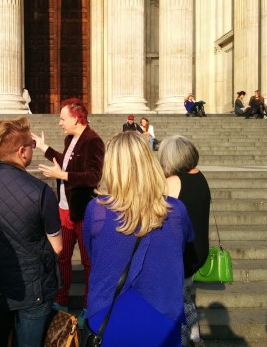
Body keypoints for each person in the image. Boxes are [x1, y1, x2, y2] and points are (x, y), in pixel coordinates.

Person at [83, 131, 194, 346]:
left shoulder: (96, 210)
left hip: (108, 313)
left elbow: (92, 253)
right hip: (161, 314)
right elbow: (183, 248)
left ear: (111, 167)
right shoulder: (176, 210)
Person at [0, 116, 62, 347]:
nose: (32, 151)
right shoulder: (41, 192)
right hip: (32, 288)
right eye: (32, 146)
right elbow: (57, 246)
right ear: (21, 151)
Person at [32, 97, 105, 327]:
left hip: (83, 211)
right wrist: (45, 149)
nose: (60, 123)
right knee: (62, 257)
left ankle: (87, 306)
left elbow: (93, 177)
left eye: (63, 119)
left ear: (75, 118)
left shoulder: (93, 141)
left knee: (88, 261)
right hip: (64, 208)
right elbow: (66, 163)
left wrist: (62, 176)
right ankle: (61, 301)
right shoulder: (70, 139)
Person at [158, 135, 211, 347]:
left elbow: (157, 216)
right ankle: (195, 336)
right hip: (198, 249)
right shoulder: (200, 177)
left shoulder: (173, 182)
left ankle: (181, 340)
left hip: (179, 252)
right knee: (185, 295)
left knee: (176, 301)